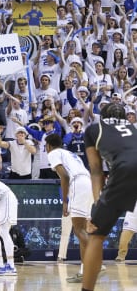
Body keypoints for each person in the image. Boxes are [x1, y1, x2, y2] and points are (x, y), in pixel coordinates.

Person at [82, 103, 137, 291]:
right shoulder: (133, 127)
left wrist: (96, 206)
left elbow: (96, 171)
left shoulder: (93, 129)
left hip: (125, 169)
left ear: (101, 117)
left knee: (95, 235)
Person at [45, 133, 93, 283]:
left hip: (78, 184)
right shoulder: (71, 153)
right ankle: (84, 271)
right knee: (83, 230)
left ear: (48, 146)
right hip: (89, 183)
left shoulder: (53, 153)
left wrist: (65, 201)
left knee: (79, 230)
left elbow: (64, 177)